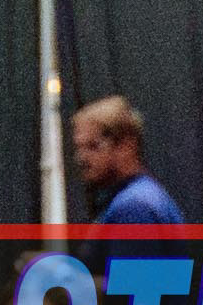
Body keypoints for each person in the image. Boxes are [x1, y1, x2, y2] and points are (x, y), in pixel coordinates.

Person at [70, 96, 182, 226]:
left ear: (126, 146)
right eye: (79, 147)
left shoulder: (134, 207)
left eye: (93, 146)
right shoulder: (138, 197)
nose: (81, 158)